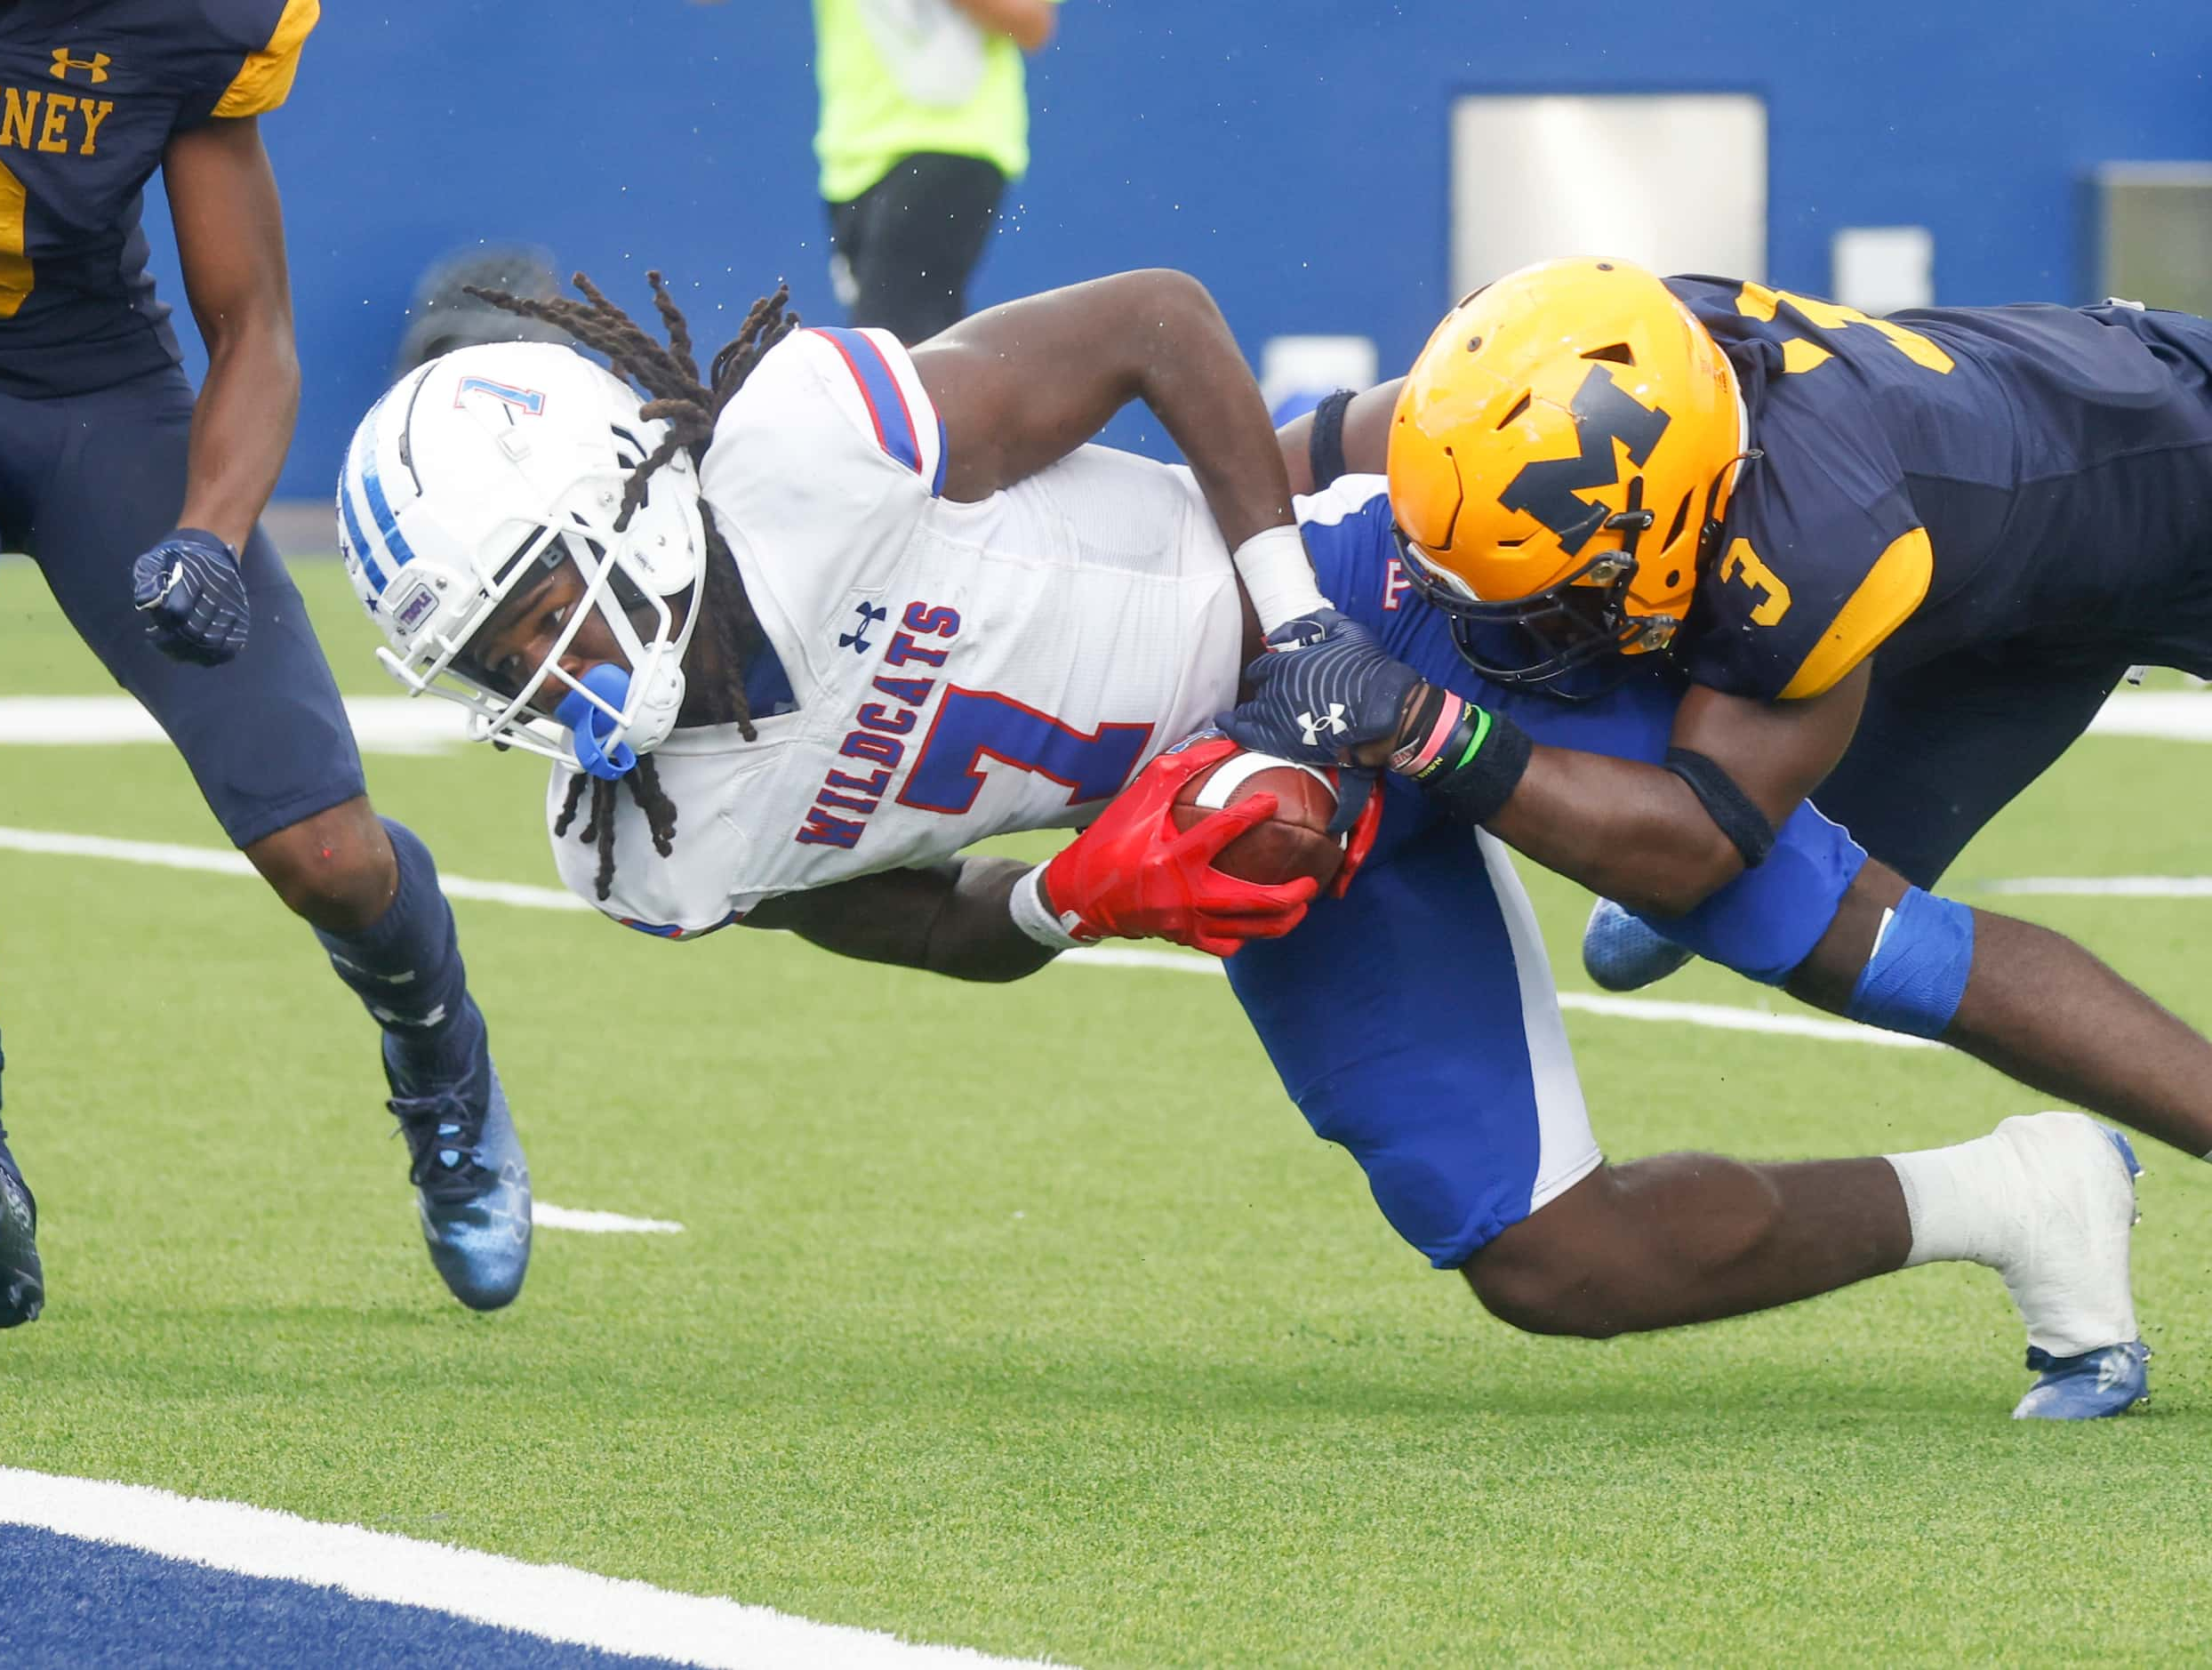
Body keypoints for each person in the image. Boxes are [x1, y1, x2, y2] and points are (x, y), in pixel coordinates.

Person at [335, 268, 2208, 1416]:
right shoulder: (648, 843)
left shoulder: (809, 442)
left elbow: (1158, 321)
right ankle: (2021, 1199)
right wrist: (1076, 896)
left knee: (1803, 926)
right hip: (1244, 828)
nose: (541, 669)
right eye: (491, 656)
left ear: (619, 507)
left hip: (1368, 598)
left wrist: (1290, 621)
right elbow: (908, 924)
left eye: (540, 607)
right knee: (1548, 1264)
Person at [0, 0, 532, 1332]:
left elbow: (254, 327)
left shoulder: (169, 18)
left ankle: (441, 1051)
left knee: (328, 855)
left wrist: (208, 536)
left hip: (103, 410)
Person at [1222, 258, 2212, 1016]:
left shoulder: (1814, 544)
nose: (1519, 632)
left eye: (1569, 592)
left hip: (2178, 487)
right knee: (1777, 914)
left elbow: (1693, 847)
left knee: (1769, 902)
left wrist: (1426, 729)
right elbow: (1296, 462)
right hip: (2007, 583)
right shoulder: (1573, 379)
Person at [697, 0, 1056, 344]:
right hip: (852, 164)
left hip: (952, 143)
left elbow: (1032, 23)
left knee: (890, 342)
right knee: (923, 342)